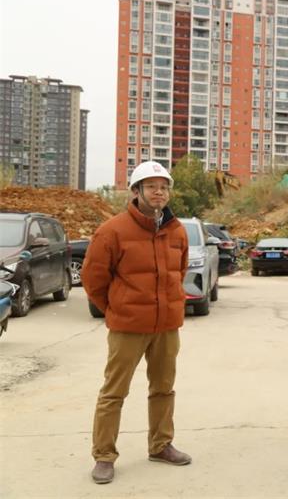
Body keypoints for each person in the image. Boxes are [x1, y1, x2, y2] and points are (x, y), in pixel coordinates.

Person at [82, 161, 191, 484]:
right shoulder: (112, 231)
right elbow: (93, 280)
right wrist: (116, 309)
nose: (159, 192)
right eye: (151, 186)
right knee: (113, 392)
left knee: (163, 389)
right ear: (136, 191)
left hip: (166, 327)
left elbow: (179, 272)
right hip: (128, 327)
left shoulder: (177, 231)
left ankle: (161, 445)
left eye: (164, 187)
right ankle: (104, 456)